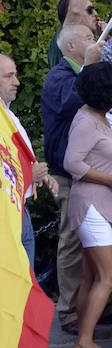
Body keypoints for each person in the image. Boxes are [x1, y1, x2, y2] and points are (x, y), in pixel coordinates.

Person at [41, 23, 104, 334]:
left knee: (96, 248)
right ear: (70, 47)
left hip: (95, 177)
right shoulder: (59, 76)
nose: (96, 41)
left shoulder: (84, 71)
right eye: (89, 38)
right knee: (73, 243)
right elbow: (70, 104)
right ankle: (68, 313)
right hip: (68, 176)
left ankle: (94, 308)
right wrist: (90, 67)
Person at [0, 53, 59, 267]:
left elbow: (17, 154)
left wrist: (42, 174)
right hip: (0, 213)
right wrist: (28, 175)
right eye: (8, 76)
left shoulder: (5, 113)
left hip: (17, 207)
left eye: (15, 75)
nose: (17, 82)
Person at [64, 63, 112, 348]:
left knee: (91, 275)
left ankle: (85, 335)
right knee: (107, 277)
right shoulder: (86, 121)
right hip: (91, 206)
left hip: (99, 204)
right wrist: (108, 180)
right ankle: (84, 340)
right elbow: (72, 162)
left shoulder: (97, 116)